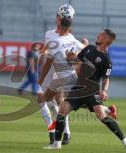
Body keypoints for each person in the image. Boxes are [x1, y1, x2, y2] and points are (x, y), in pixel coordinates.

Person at [43, 29, 126, 153]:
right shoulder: (89, 49)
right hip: (78, 88)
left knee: (101, 116)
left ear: (106, 41)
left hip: (92, 91)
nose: (98, 35)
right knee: (61, 112)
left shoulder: (106, 60)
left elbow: (106, 78)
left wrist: (104, 90)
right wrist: (71, 57)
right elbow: (76, 60)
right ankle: (57, 144)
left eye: (102, 35)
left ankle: (125, 142)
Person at [37, 4, 87, 145]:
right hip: (54, 72)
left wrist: (41, 76)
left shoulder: (67, 37)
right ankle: (61, 133)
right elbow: (47, 51)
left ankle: (57, 133)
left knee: (51, 100)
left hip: (57, 73)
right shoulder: (52, 35)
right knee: (50, 101)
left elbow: (78, 53)